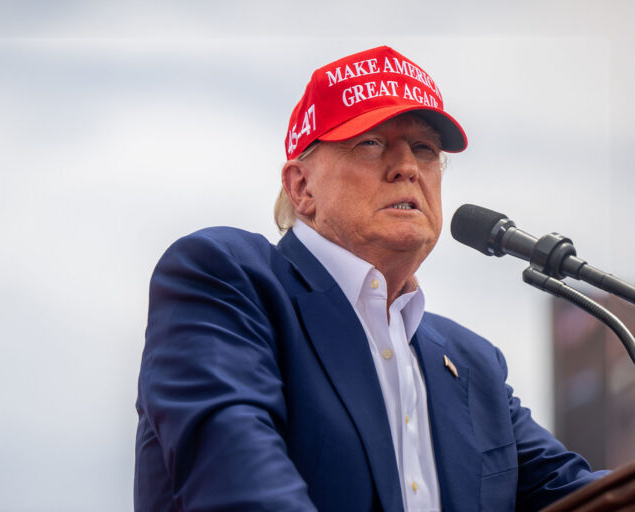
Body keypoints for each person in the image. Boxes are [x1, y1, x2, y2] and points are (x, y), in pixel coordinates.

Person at [134, 45, 606, 511]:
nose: (406, 168)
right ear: (301, 186)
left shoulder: (474, 364)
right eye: (372, 143)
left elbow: (584, 496)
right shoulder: (227, 279)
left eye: (424, 149)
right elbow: (239, 482)